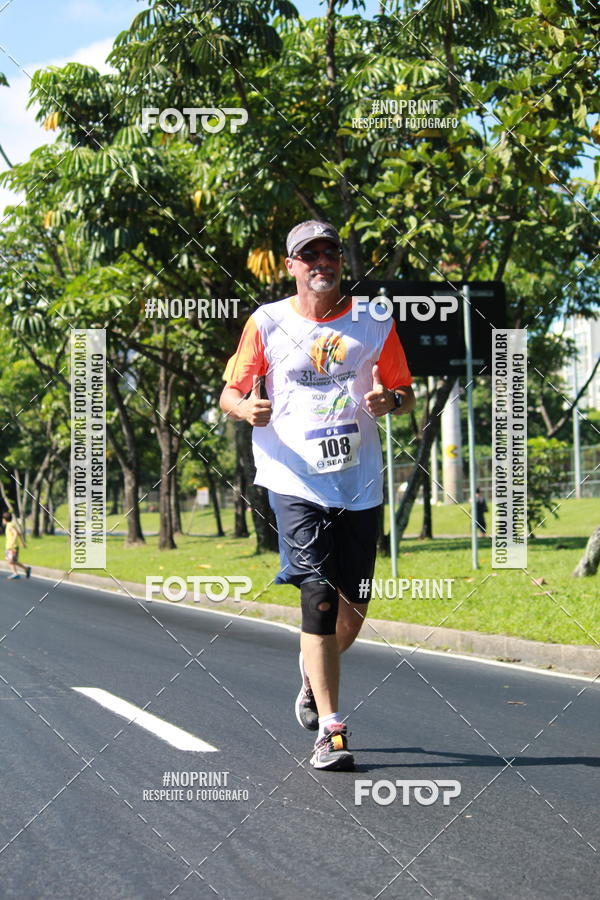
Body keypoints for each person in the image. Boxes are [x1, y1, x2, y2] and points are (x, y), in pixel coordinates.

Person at [220, 220, 414, 770]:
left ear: (340, 262)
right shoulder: (267, 322)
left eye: (330, 253)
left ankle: (311, 671)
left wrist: (390, 401)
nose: (322, 262)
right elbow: (230, 392)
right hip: (294, 482)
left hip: (359, 484)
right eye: (310, 255)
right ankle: (331, 729)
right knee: (319, 596)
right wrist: (245, 408)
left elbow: (404, 389)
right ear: (292, 266)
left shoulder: (374, 319)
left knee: (353, 611)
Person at [3, 512, 31, 580]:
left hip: (12, 546)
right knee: (12, 560)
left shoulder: (9, 526)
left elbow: (15, 533)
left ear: (4, 519)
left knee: (11, 561)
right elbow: (19, 533)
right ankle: (26, 569)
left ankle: (16, 574)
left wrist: (12, 543)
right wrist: (22, 543)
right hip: (11, 546)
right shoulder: (12, 525)